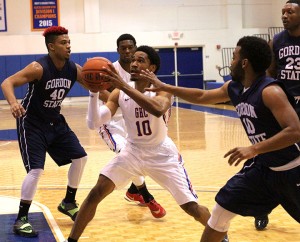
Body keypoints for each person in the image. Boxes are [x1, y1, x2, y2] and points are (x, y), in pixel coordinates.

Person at [141, 36, 300, 242]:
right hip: (264, 170)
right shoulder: (233, 87)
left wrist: (253, 149)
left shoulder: (270, 91)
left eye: (234, 57)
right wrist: (166, 87)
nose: (231, 62)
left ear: (244, 63)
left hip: (293, 170)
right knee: (221, 210)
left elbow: (295, 131)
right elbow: (201, 96)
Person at [65, 45, 221, 242]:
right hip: (132, 151)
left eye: (141, 60)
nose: (134, 64)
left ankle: (221, 237)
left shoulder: (162, 90)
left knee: (191, 207)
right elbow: (94, 122)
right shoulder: (119, 93)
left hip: (162, 154)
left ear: (152, 67)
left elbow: (157, 109)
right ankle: (71, 240)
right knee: (96, 191)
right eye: (133, 61)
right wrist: (93, 93)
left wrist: (123, 86)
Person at [1, 26, 88, 237]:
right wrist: (13, 103)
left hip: (55, 122)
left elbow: (96, 89)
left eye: (69, 42)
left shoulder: (74, 69)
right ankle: (21, 218)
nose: (68, 46)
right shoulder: (38, 67)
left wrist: (116, 96)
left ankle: (68, 202)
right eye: (63, 43)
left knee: (81, 158)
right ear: (51, 47)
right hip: (32, 122)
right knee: (36, 170)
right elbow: (7, 82)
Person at [97, 34, 165, 216]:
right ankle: (147, 196)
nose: (127, 51)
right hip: (110, 121)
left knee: (145, 154)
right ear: (118, 50)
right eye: (123, 48)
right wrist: (118, 98)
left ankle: (133, 192)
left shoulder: (140, 68)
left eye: (130, 48)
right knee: (124, 153)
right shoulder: (110, 69)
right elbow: (104, 94)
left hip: (131, 119)